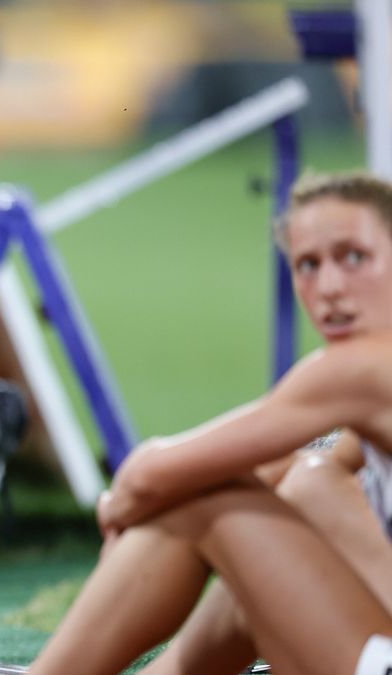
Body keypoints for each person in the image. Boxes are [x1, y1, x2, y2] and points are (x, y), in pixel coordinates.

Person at [27, 172, 392, 675]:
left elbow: (147, 474)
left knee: (207, 498)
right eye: (308, 265)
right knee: (308, 487)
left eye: (354, 257)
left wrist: (128, 505)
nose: (328, 287)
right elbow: (298, 467)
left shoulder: (363, 370)